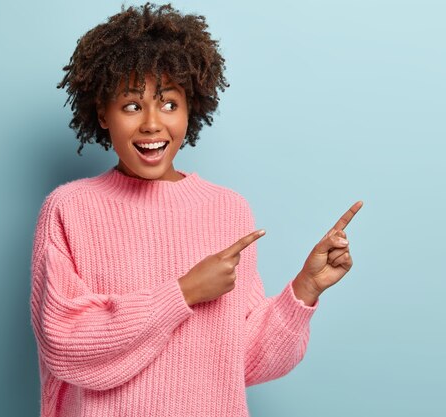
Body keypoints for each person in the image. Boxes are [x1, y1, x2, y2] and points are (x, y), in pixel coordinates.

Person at [30, 3, 362, 416]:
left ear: (191, 109)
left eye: (169, 103)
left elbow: (243, 360)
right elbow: (66, 343)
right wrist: (183, 293)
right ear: (102, 112)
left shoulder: (227, 210)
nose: (152, 123)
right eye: (132, 105)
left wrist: (305, 290)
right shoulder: (70, 209)